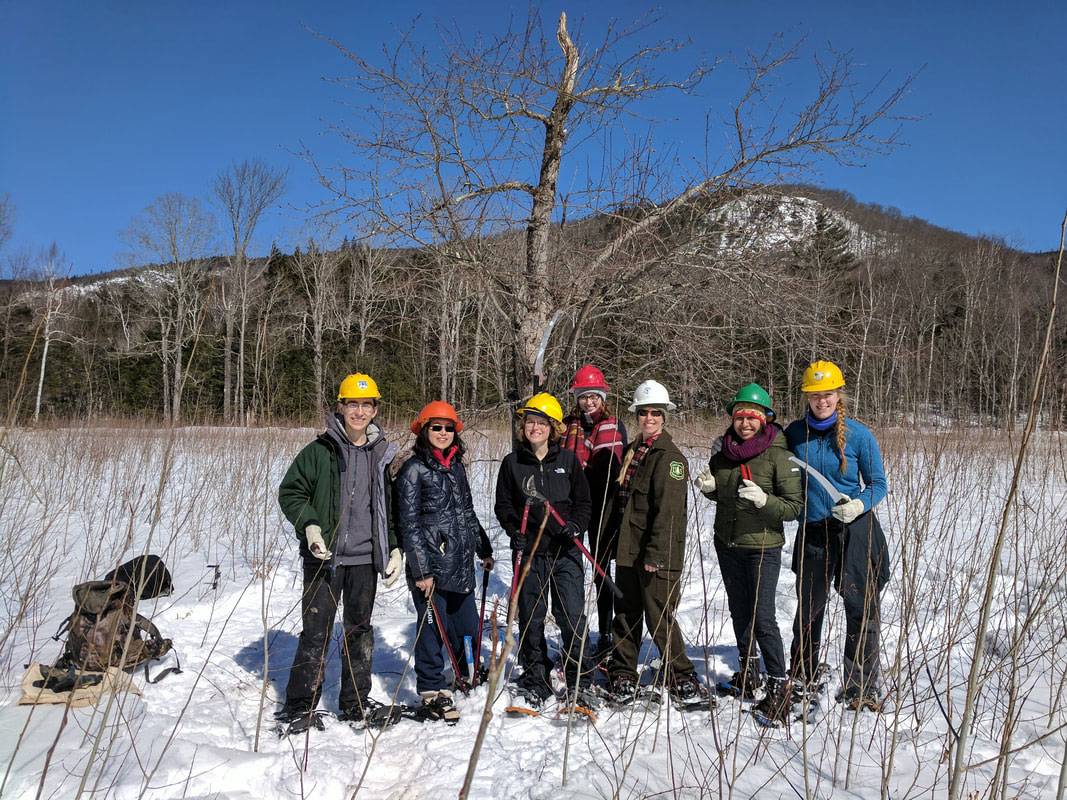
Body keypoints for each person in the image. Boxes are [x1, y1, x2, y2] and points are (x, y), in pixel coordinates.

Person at [276, 373, 404, 730]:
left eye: (366, 405)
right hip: (324, 558)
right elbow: (291, 492)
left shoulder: (381, 456)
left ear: (375, 409)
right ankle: (298, 706)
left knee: (359, 630)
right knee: (316, 631)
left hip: (365, 559)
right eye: (352, 404)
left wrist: (394, 547)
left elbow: (388, 509)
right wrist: (311, 525)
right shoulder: (319, 452)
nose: (359, 412)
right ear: (341, 407)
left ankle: (355, 704)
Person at [785, 360, 889, 712]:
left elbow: (878, 484)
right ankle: (803, 674)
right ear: (807, 397)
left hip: (854, 531)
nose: (821, 401)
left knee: (860, 607)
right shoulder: (795, 435)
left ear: (839, 395)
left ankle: (860, 685)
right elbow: (766, 454)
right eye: (815, 396)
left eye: (827, 394)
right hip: (813, 532)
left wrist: (858, 505)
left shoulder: (860, 435)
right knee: (809, 609)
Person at [695, 383, 802, 722]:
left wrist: (766, 501)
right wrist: (712, 490)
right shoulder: (723, 453)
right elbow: (726, 496)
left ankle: (778, 684)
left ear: (765, 418)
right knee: (740, 612)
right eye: (740, 417)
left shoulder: (779, 455)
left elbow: (794, 506)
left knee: (763, 617)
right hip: (727, 545)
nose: (745, 423)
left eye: (753, 417)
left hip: (762, 547)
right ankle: (748, 672)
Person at [609, 379, 710, 707]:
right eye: (643, 412)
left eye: (655, 413)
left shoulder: (670, 458)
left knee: (658, 615)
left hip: (655, 554)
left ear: (664, 416)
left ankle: (681, 673)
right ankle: (623, 669)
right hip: (628, 548)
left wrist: (656, 555)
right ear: (636, 415)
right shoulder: (634, 451)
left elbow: (669, 514)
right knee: (625, 612)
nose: (649, 418)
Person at [494, 392, 594, 708]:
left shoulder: (568, 461)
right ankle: (535, 678)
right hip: (530, 555)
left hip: (565, 552)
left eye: (541, 423)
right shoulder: (512, 463)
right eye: (530, 422)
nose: (534, 428)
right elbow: (503, 505)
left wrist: (575, 526)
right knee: (532, 617)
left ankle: (581, 679)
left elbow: (584, 503)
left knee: (571, 616)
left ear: (553, 428)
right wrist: (514, 531)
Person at [396, 401, 494, 723]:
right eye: (436, 427)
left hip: (461, 561)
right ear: (424, 431)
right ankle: (432, 689)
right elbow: (407, 524)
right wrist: (421, 570)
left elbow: (466, 511)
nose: (442, 433)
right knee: (431, 629)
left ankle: (466, 670)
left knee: (467, 627)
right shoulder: (413, 470)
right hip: (431, 568)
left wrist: (483, 546)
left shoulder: (457, 466)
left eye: (448, 428)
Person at [561, 365, 627, 659]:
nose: (589, 402)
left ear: (603, 398)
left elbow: (610, 468)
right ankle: (573, 631)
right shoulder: (566, 426)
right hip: (572, 506)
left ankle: (606, 630)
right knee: (570, 567)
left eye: (594, 397)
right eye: (584, 396)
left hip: (603, 505)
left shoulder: (613, 426)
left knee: (602, 569)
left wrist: (583, 476)